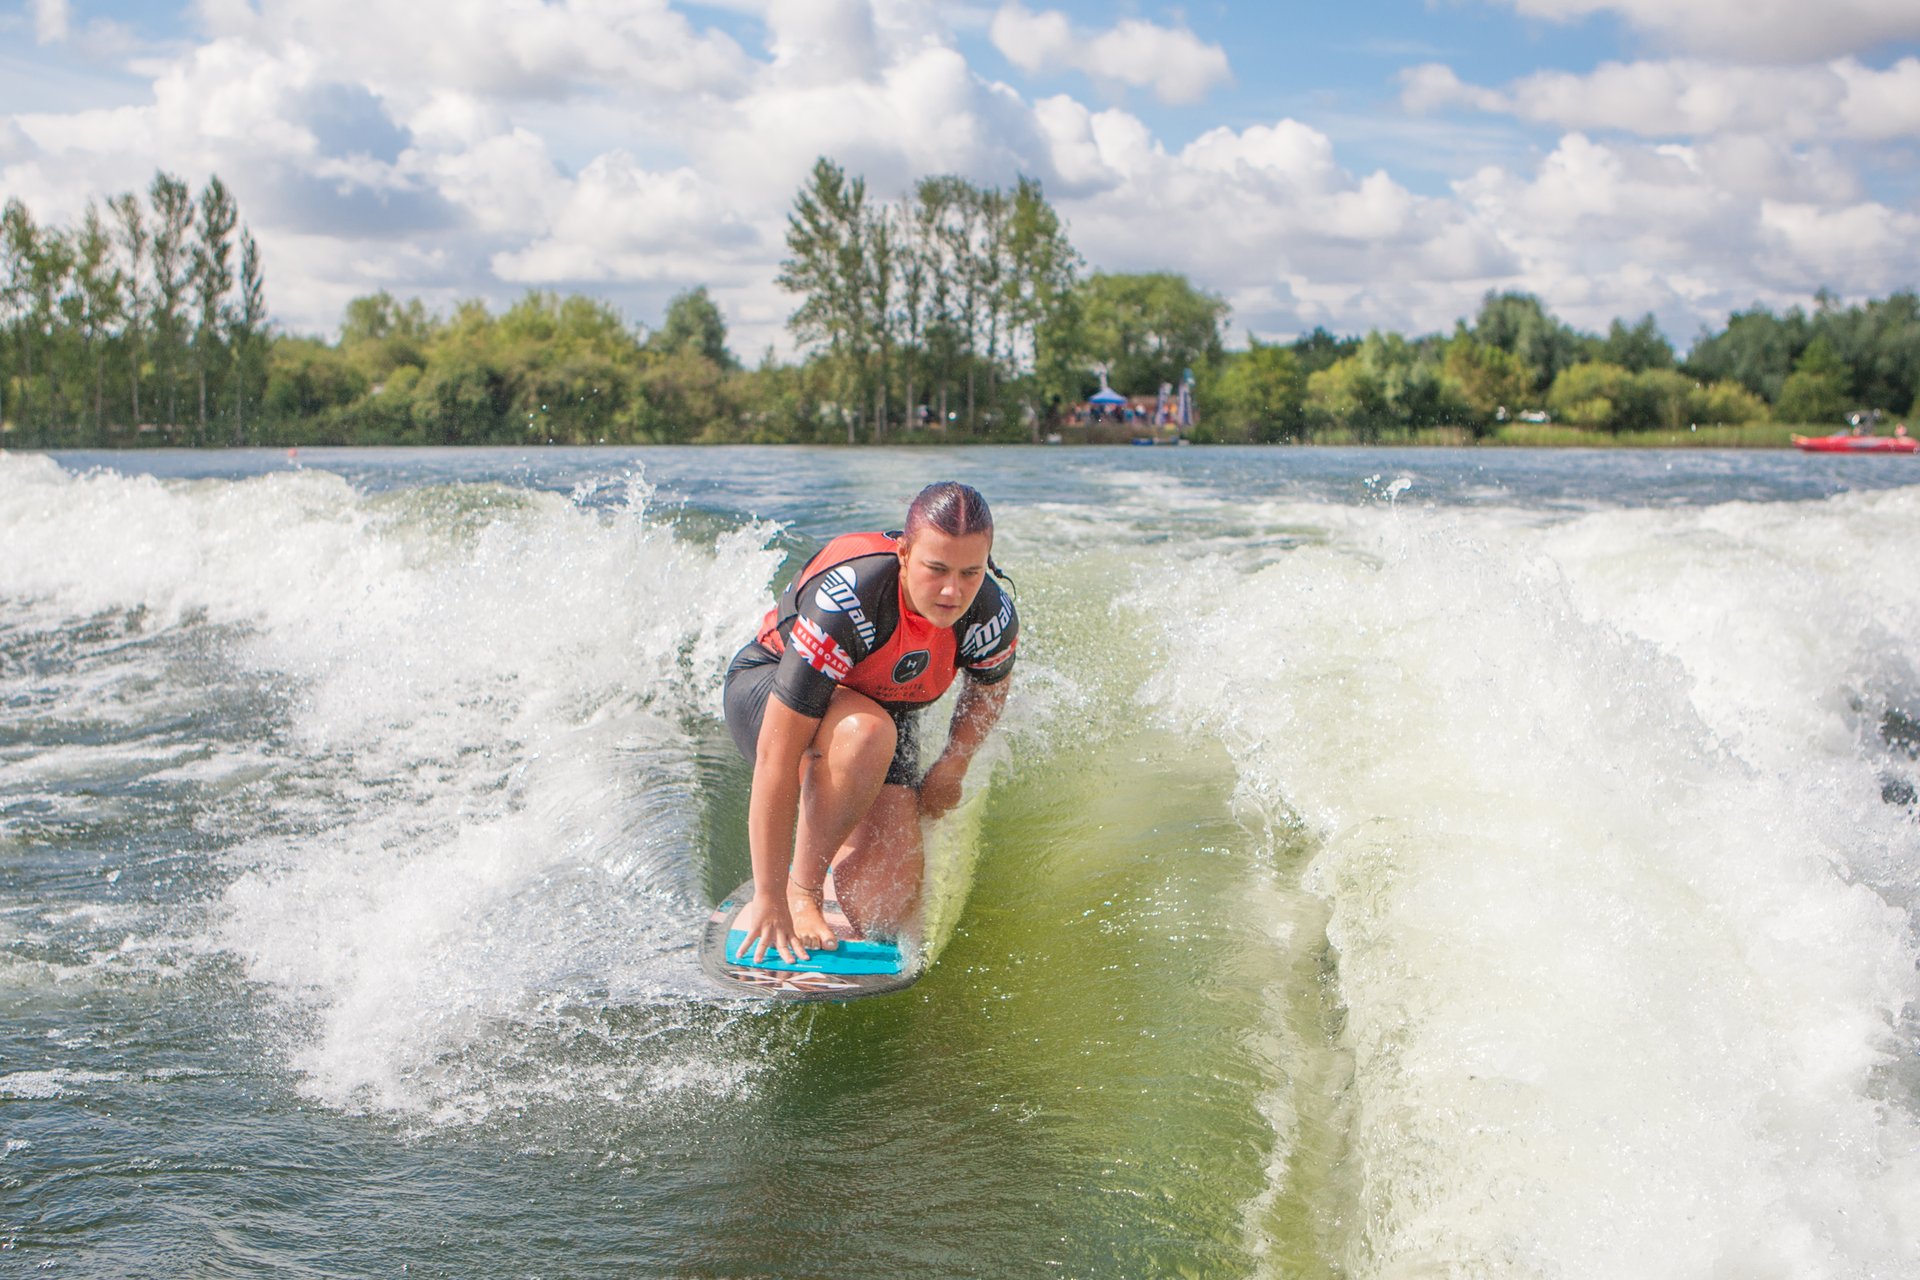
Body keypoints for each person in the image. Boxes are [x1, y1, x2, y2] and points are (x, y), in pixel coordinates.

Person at [722, 481, 1018, 964]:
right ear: (903, 554)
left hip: (876, 714)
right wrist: (774, 899)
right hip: (767, 687)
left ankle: (836, 838)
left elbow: (990, 687)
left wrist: (953, 764)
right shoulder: (848, 600)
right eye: (936, 569)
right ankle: (805, 888)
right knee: (868, 733)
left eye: (970, 572)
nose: (952, 591)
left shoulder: (990, 612)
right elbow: (775, 761)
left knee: (885, 906)